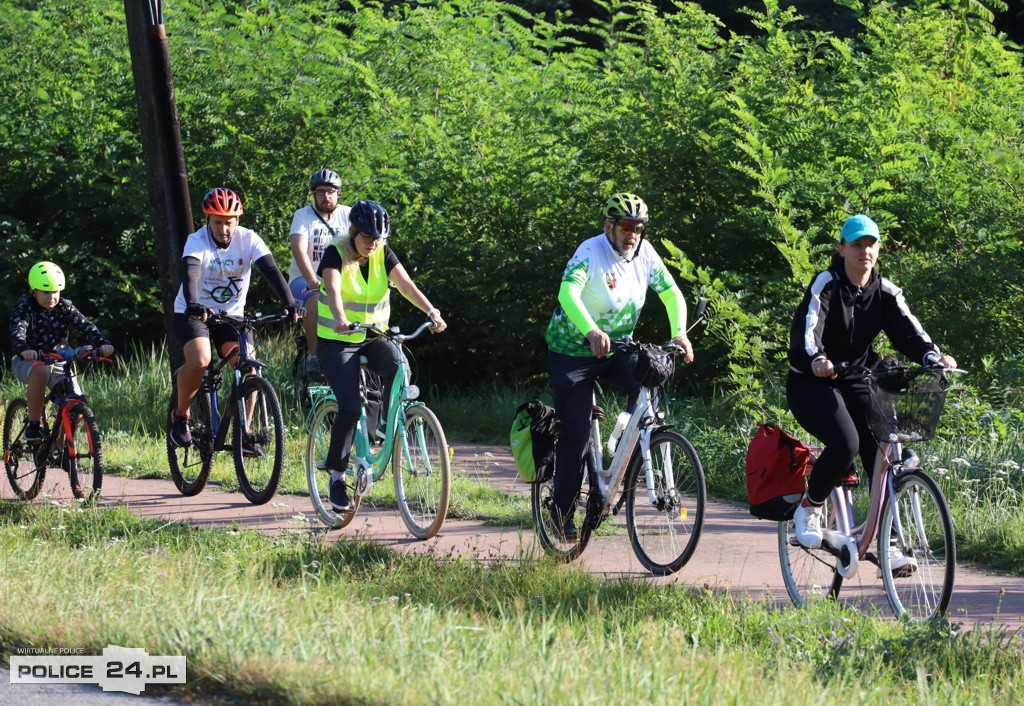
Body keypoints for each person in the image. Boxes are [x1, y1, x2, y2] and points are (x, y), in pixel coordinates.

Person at [786, 214, 957, 559]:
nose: (865, 251)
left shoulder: (884, 291)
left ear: (878, 249)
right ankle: (810, 506)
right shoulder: (826, 284)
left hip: (856, 379)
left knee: (880, 445)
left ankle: (888, 542)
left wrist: (932, 357)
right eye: (857, 244)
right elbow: (808, 329)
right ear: (842, 249)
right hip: (810, 382)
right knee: (846, 442)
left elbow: (909, 331)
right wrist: (816, 358)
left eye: (871, 244)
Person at [544, 192, 694, 540]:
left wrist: (680, 333)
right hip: (573, 351)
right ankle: (561, 513)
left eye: (639, 228)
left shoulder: (645, 254)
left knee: (651, 381)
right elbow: (568, 294)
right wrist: (590, 330)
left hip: (616, 348)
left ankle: (620, 461)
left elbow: (671, 293)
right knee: (576, 432)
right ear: (608, 226)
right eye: (626, 227)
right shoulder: (590, 251)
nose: (633, 235)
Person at [316, 199, 446, 511]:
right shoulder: (335, 252)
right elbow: (332, 288)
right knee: (350, 406)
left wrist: (431, 311)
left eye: (378, 238)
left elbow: (406, 285)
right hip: (337, 340)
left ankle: (385, 428)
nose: (373, 243)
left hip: (373, 335)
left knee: (399, 366)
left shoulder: (382, 253)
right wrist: (340, 318)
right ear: (353, 232)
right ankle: (337, 477)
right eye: (367, 237)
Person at [169, 187, 298, 449]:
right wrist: (194, 304)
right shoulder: (197, 241)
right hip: (193, 313)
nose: (224, 229)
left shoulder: (249, 239)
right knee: (201, 359)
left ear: (237, 220)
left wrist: (290, 303)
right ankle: (181, 415)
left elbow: (271, 270)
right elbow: (190, 273)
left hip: (231, 317)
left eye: (229, 222)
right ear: (208, 219)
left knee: (249, 367)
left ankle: (245, 432)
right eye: (218, 222)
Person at [8, 261, 115, 442]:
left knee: (77, 403)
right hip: (27, 360)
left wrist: (102, 343)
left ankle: (61, 447)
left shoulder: (65, 307)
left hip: (59, 361)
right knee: (41, 371)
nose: (51, 296)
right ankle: (33, 427)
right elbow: (17, 331)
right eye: (46, 292)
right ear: (33, 291)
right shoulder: (24, 308)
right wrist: (24, 349)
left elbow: (86, 326)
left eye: (55, 292)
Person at [288, 169, 351, 382]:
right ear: (314, 194)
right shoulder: (303, 215)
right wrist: (311, 280)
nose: (326, 196)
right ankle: (315, 357)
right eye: (321, 192)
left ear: (338, 193)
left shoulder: (349, 214)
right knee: (314, 300)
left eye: (331, 192)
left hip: (339, 279)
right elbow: (298, 249)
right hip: (304, 280)